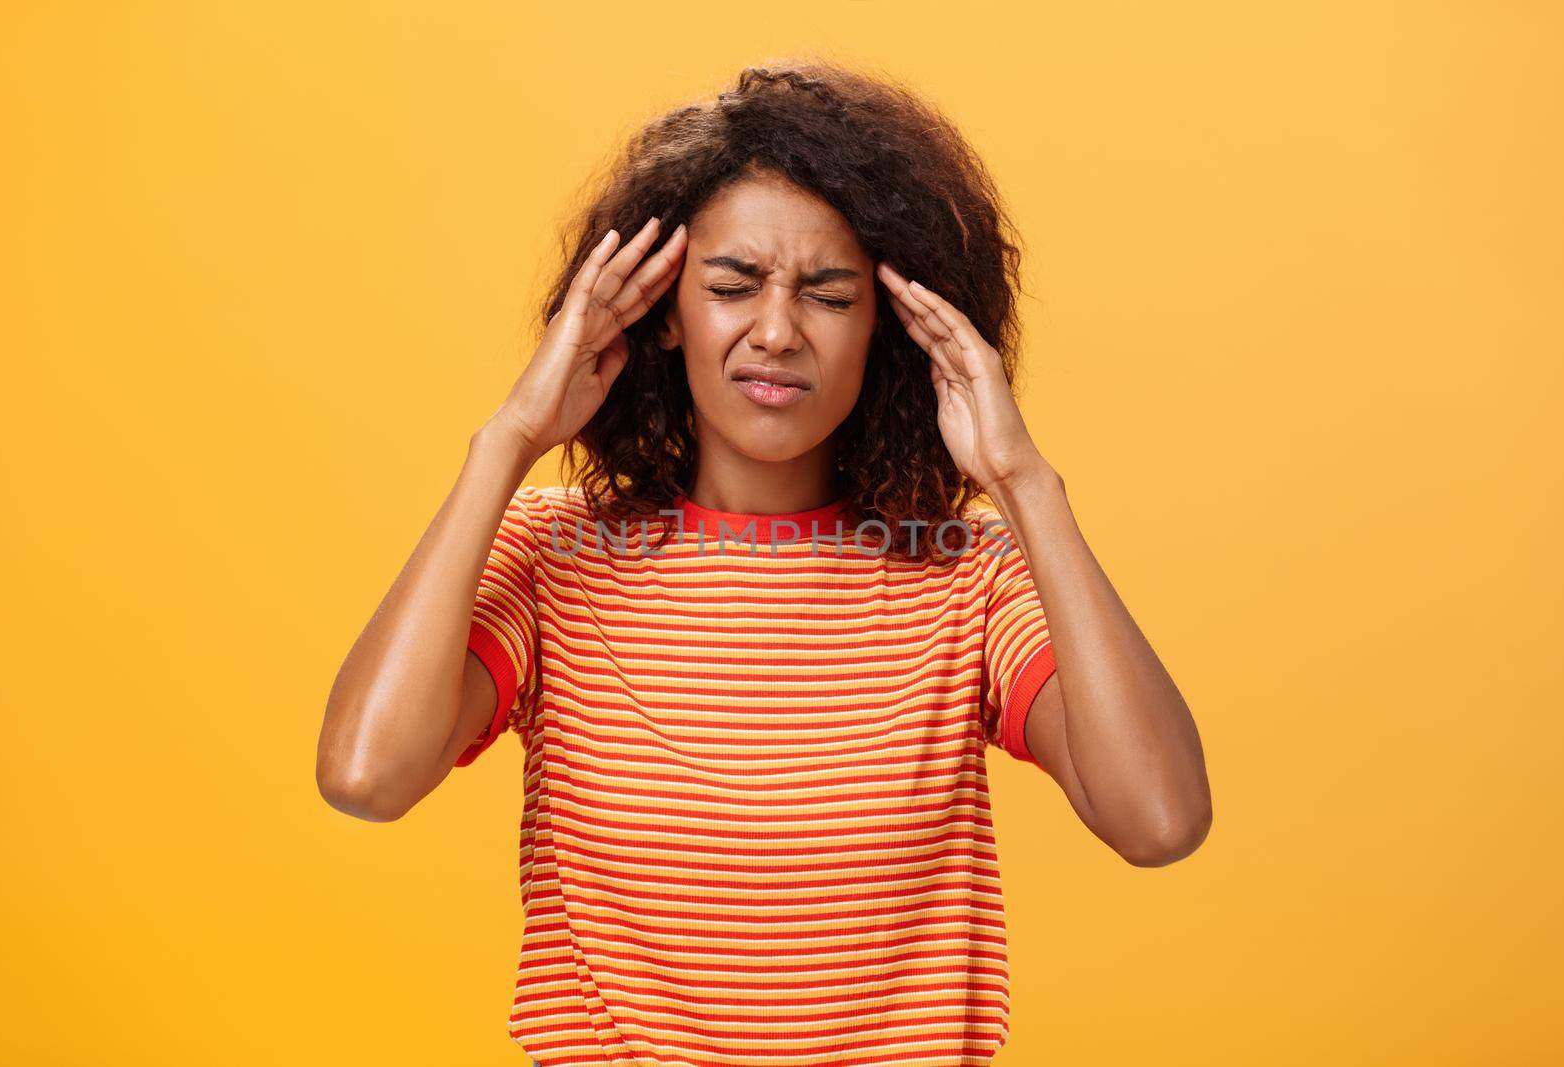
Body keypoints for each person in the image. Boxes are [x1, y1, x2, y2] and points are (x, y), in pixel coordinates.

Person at [318, 60, 1211, 1066]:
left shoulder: (969, 570)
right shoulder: (546, 554)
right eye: (732, 285)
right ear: (661, 309)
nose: (775, 332)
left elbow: (1159, 817)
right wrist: (508, 439)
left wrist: (1021, 481)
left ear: (890, 327)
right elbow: (366, 775)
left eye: (828, 294)